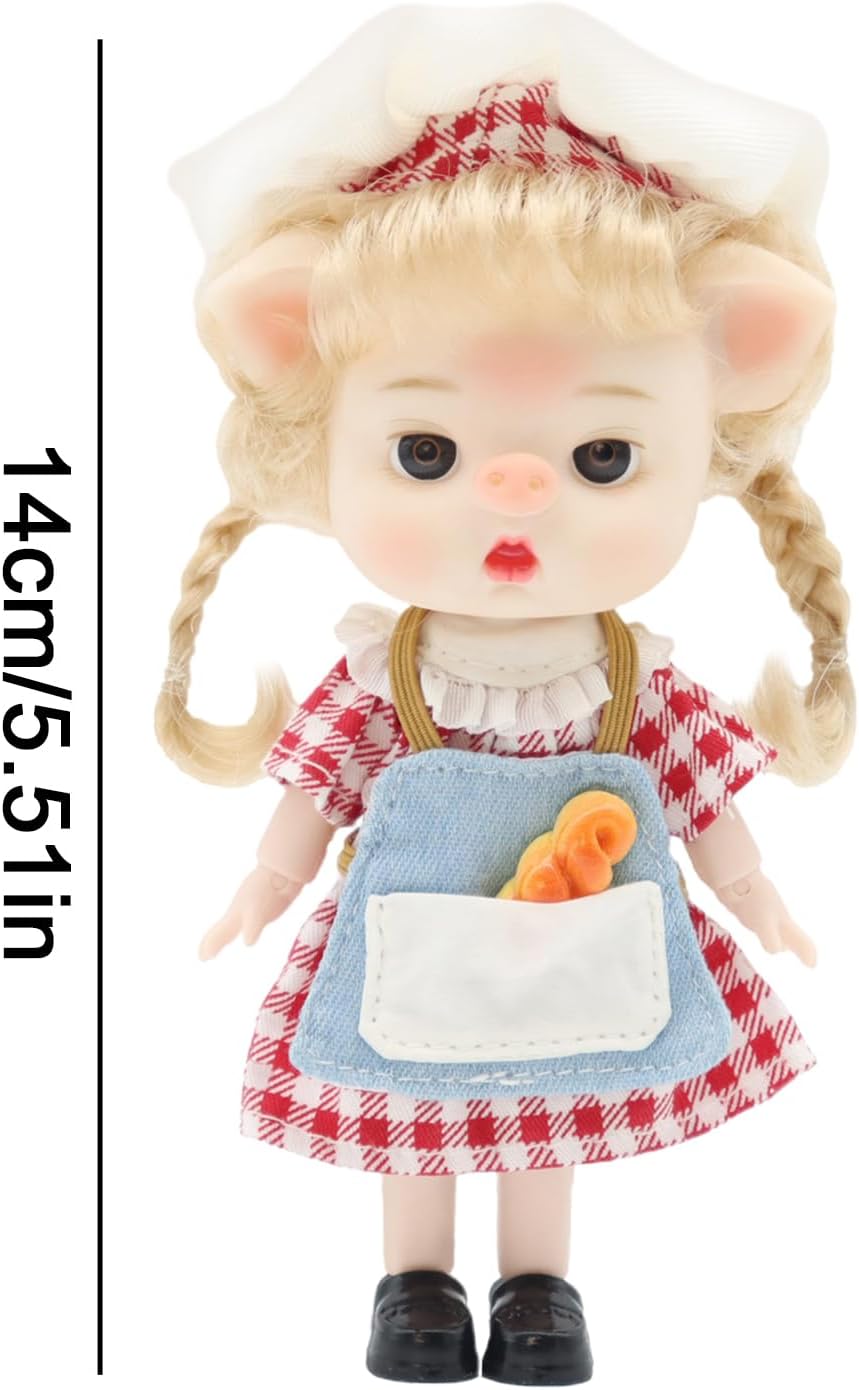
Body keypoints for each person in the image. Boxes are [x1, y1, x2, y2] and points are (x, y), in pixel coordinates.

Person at [156, 6, 853, 1384]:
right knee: (410, 1104)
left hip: (587, 952)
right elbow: (317, 787)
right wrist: (265, 878)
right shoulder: (385, 673)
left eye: (605, 455)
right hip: (413, 949)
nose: (514, 490)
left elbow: (704, 796)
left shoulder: (633, 677)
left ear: (728, 394)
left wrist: (757, 889)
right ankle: (413, 1286)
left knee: (558, 1109)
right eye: (427, 450)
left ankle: (540, 1291)